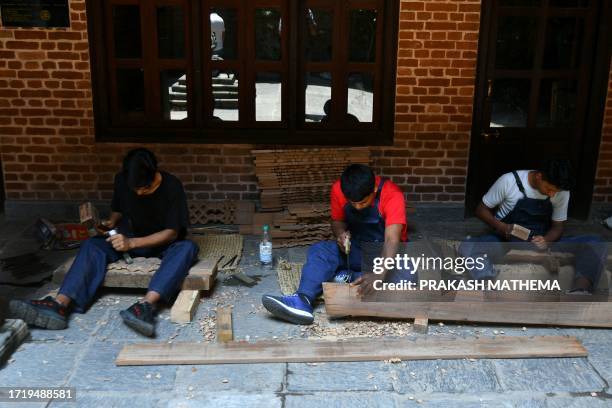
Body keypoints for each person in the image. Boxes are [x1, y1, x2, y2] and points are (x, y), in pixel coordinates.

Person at [10, 148, 199, 337]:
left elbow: (171, 233)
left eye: (145, 189)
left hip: (161, 242)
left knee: (187, 248)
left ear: (154, 174)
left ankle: (145, 307)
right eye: (136, 189)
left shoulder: (172, 186)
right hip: (128, 236)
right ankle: (59, 305)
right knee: (92, 245)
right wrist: (111, 222)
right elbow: (118, 208)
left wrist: (131, 244)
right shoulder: (122, 180)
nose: (140, 193)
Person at [262, 164, 410, 325]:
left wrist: (379, 274)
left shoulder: (392, 194)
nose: (357, 207)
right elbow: (337, 222)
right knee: (320, 251)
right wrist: (340, 234)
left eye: (362, 202)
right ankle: (302, 301)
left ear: (374, 189)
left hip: (387, 254)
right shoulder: (338, 189)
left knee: (409, 275)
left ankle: (349, 278)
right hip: (357, 248)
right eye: (352, 203)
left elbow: (392, 240)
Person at [459, 159, 606, 293]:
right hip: (506, 242)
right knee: (469, 245)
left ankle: (580, 290)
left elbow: (558, 227)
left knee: (595, 243)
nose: (553, 194)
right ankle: (487, 285)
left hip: (540, 243)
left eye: (556, 191)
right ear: (539, 176)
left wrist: (546, 240)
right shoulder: (509, 181)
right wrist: (502, 227)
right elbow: (480, 210)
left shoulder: (561, 192)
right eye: (549, 189)